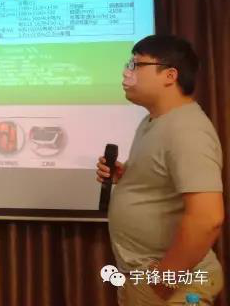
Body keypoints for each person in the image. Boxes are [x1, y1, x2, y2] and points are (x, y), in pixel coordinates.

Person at [96, 35, 224, 305]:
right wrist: (128, 177)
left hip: (173, 283)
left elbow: (208, 217)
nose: (126, 72)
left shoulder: (187, 130)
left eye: (136, 65)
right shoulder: (153, 121)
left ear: (170, 75)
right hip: (146, 276)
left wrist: (166, 278)